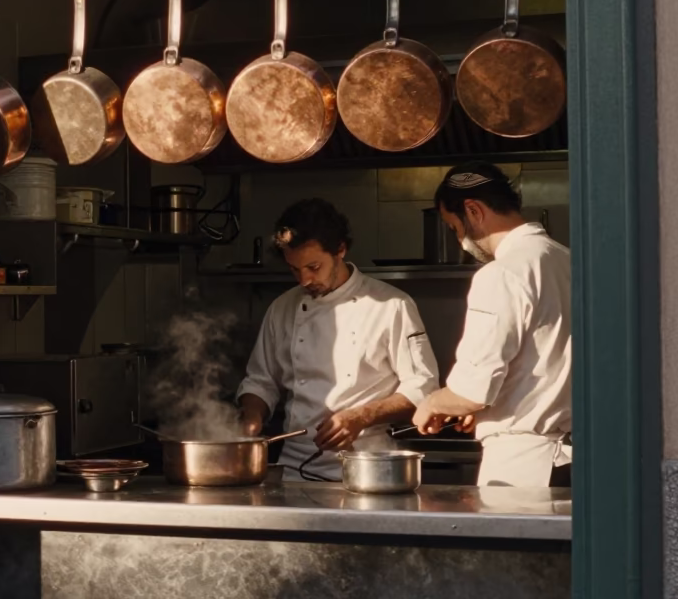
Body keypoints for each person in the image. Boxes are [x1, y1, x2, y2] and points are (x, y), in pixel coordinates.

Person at [236, 198, 440, 481]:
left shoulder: (391, 304)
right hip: (293, 468)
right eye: (294, 269)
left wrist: (361, 416)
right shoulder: (282, 308)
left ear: (341, 250)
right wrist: (251, 417)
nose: (304, 280)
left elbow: (423, 387)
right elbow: (261, 380)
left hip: (366, 466)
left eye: (314, 267)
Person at [413, 161, 573, 487]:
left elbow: (473, 389)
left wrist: (433, 402)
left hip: (524, 469)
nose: (460, 240)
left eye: (454, 227)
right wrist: (485, 405)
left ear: (473, 211)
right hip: (573, 460)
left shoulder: (501, 274)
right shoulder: (567, 259)